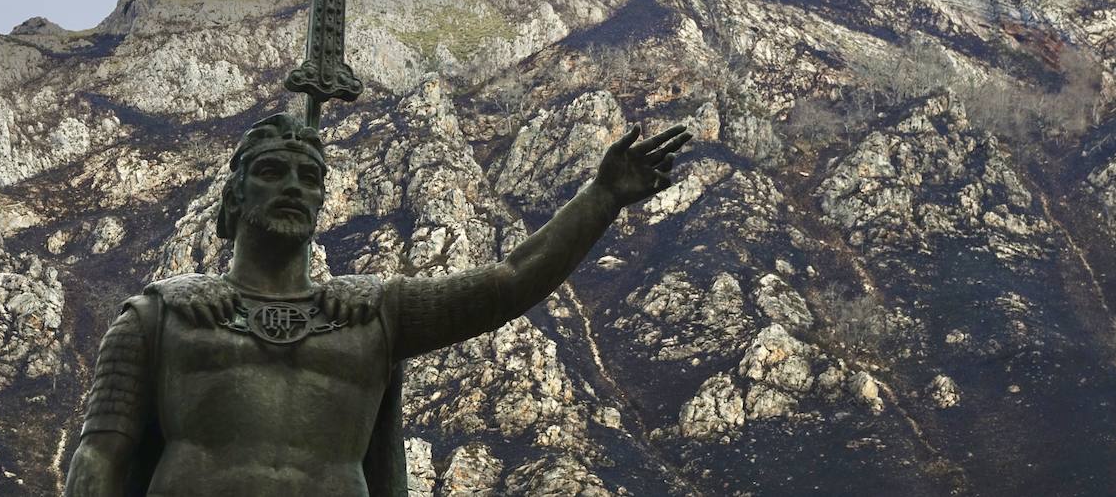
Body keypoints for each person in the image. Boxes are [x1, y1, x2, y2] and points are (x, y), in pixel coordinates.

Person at [63, 112, 691, 497]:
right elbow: (100, 457)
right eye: (272, 171)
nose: (292, 187)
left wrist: (601, 198)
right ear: (231, 201)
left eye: (309, 179)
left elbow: (508, 281)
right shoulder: (157, 316)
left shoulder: (371, 314)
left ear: (321, 209)